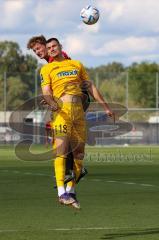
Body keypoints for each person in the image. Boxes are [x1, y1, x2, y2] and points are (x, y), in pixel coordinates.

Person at [40, 37, 114, 209]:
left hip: (79, 114)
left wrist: (106, 107)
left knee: (79, 155)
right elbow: (46, 92)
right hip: (61, 113)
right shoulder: (47, 68)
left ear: (60, 47)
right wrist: (52, 104)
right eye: (48, 47)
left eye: (54, 46)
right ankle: (61, 193)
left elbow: (90, 87)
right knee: (61, 152)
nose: (51, 49)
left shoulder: (76, 64)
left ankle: (71, 191)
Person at [27, 36, 89, 187]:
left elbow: (71, 80)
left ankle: (70, 171)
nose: (37, 52)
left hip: (79, 98)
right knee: (60, 135)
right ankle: (73, 170)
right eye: (34, 51)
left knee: (63, 135)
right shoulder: (49, 64)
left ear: (45, 45)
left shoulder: (61, 59)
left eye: (38, 48)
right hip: (68, 102)